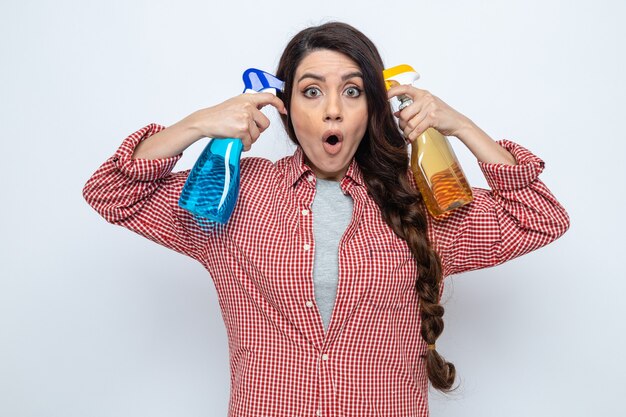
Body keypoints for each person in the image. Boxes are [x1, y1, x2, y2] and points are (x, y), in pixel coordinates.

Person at [83, 21, 570, 417]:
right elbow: (111, 192)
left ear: (373, 109)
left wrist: (460, 126)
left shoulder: (418, 202)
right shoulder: (235, 195)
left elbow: (540, 218)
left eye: (353, 92)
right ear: (286, 108)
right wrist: (196, 124)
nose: (333, 111)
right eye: (311, 92)